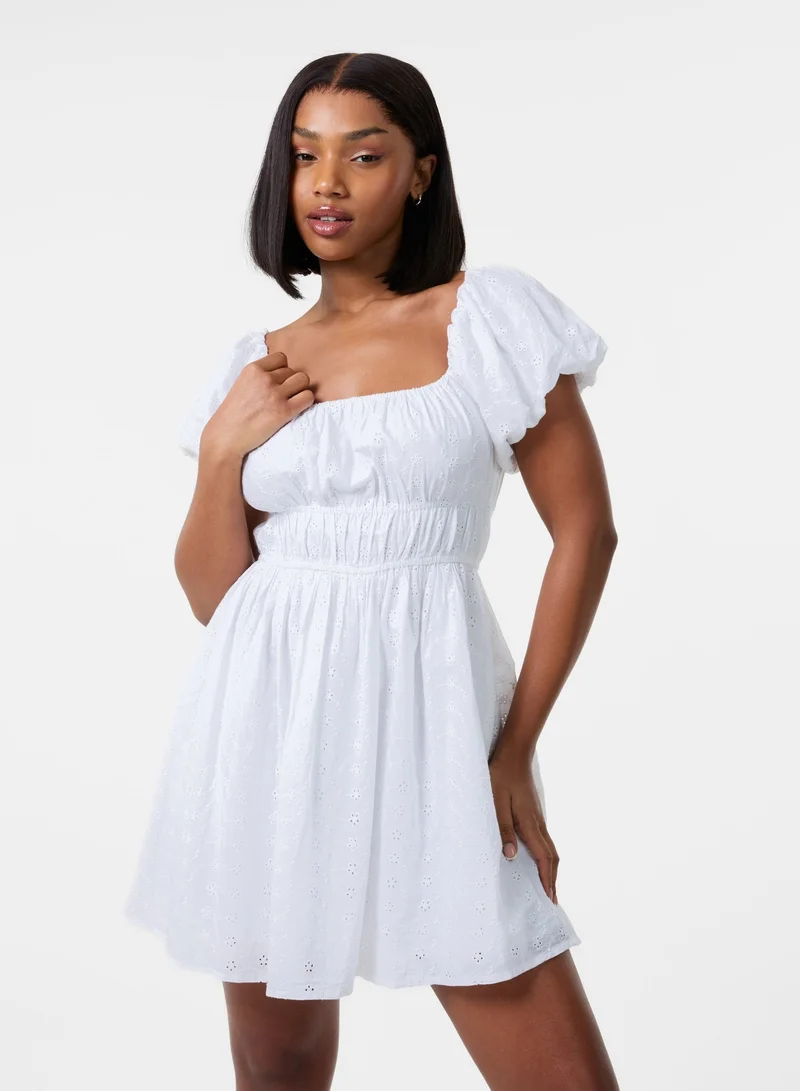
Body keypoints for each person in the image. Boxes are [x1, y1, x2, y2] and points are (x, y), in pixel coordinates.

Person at [125, 51, 620, 1091]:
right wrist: (221, 451)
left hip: (439, 725)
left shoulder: (484, 317)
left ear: (420, 173)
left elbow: (586, 532)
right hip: (268, 725)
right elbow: (217, 596)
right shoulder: (254, 361)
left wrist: (513, 748)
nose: (327, 184)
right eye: (305, 155)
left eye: (362, 154)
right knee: (281, 1063)